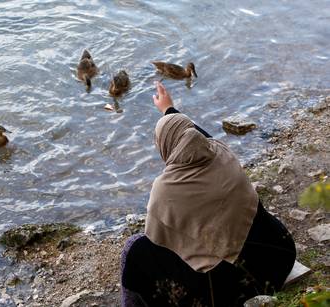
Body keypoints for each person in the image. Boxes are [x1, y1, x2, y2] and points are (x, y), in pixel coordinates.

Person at [120, 82, 296, 307]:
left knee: (134, 250)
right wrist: (169, 110)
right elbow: (195, 134)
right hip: (279, 256)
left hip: (238, 288)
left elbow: (159, 242)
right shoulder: (222, 154)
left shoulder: (165, 191)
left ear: (164, 147)